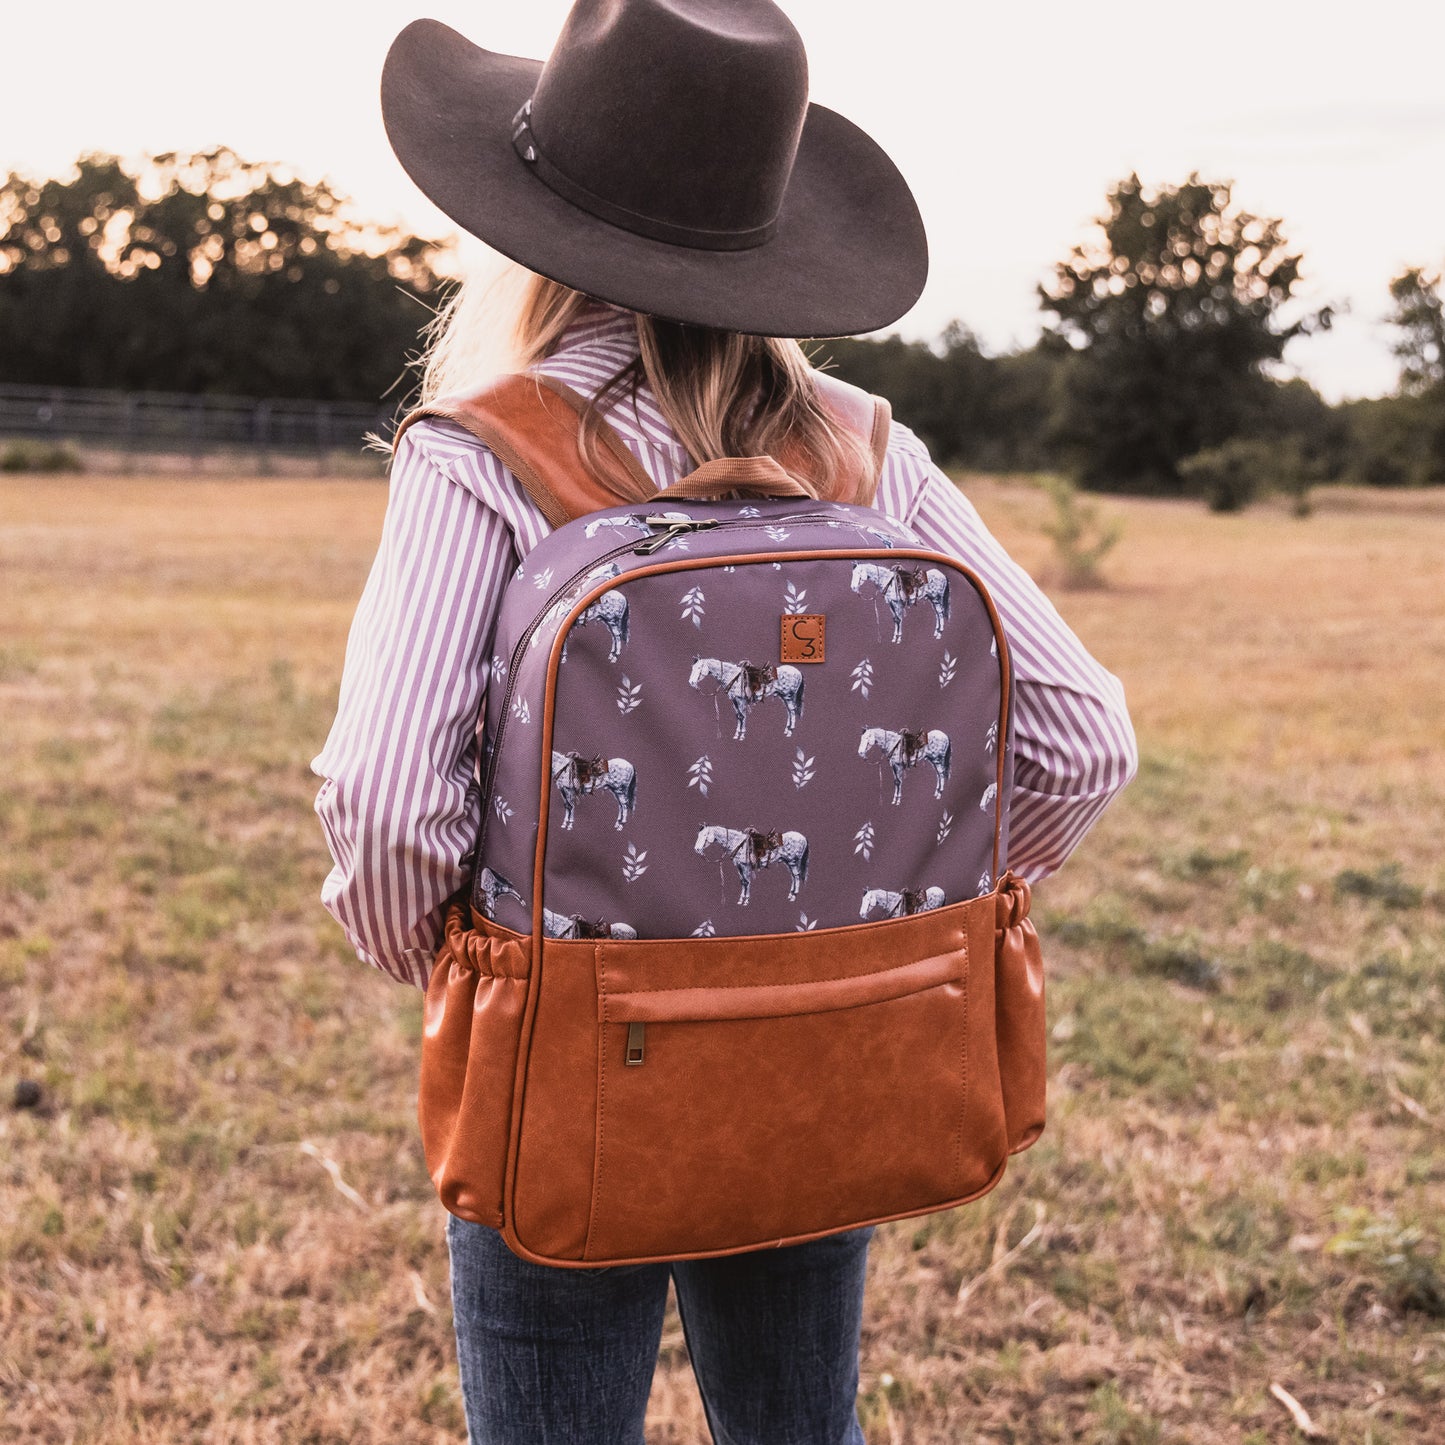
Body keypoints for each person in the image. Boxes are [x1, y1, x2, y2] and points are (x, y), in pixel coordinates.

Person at [312, 3, 1138, 1440]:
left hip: (567, 1056)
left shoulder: (483, 454)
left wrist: (470, 963)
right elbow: (1079, 742)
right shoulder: (866, 450)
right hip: (830, 1039)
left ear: (527, 217)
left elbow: (387, 804)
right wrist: (896, 919)